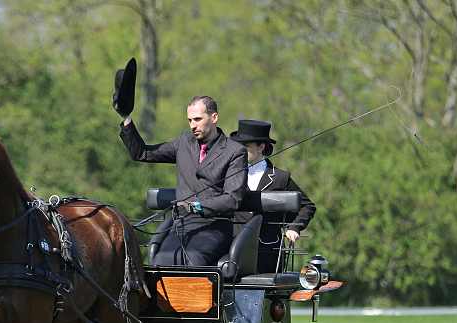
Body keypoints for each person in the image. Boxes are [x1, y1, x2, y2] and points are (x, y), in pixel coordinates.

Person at [116, 95, 247, 266]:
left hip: (215, 225)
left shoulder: (235, 151)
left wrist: (196, 206)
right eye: (190, 120)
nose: (193, 125)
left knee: (193, 260)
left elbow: (232, 199)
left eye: (198, 119)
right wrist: (126, 118)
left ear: (214, 117)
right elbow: (141, 153)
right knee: (161, 262)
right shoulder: (183, 141)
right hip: (183, 224)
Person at [230, 120, 315, 273]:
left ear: (260, 147)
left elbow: (307, 206)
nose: (239, 151)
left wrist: (295, 227)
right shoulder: (229, 175)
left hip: (268, 253)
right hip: (234, 251)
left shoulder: (280, 178)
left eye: (246, 146)